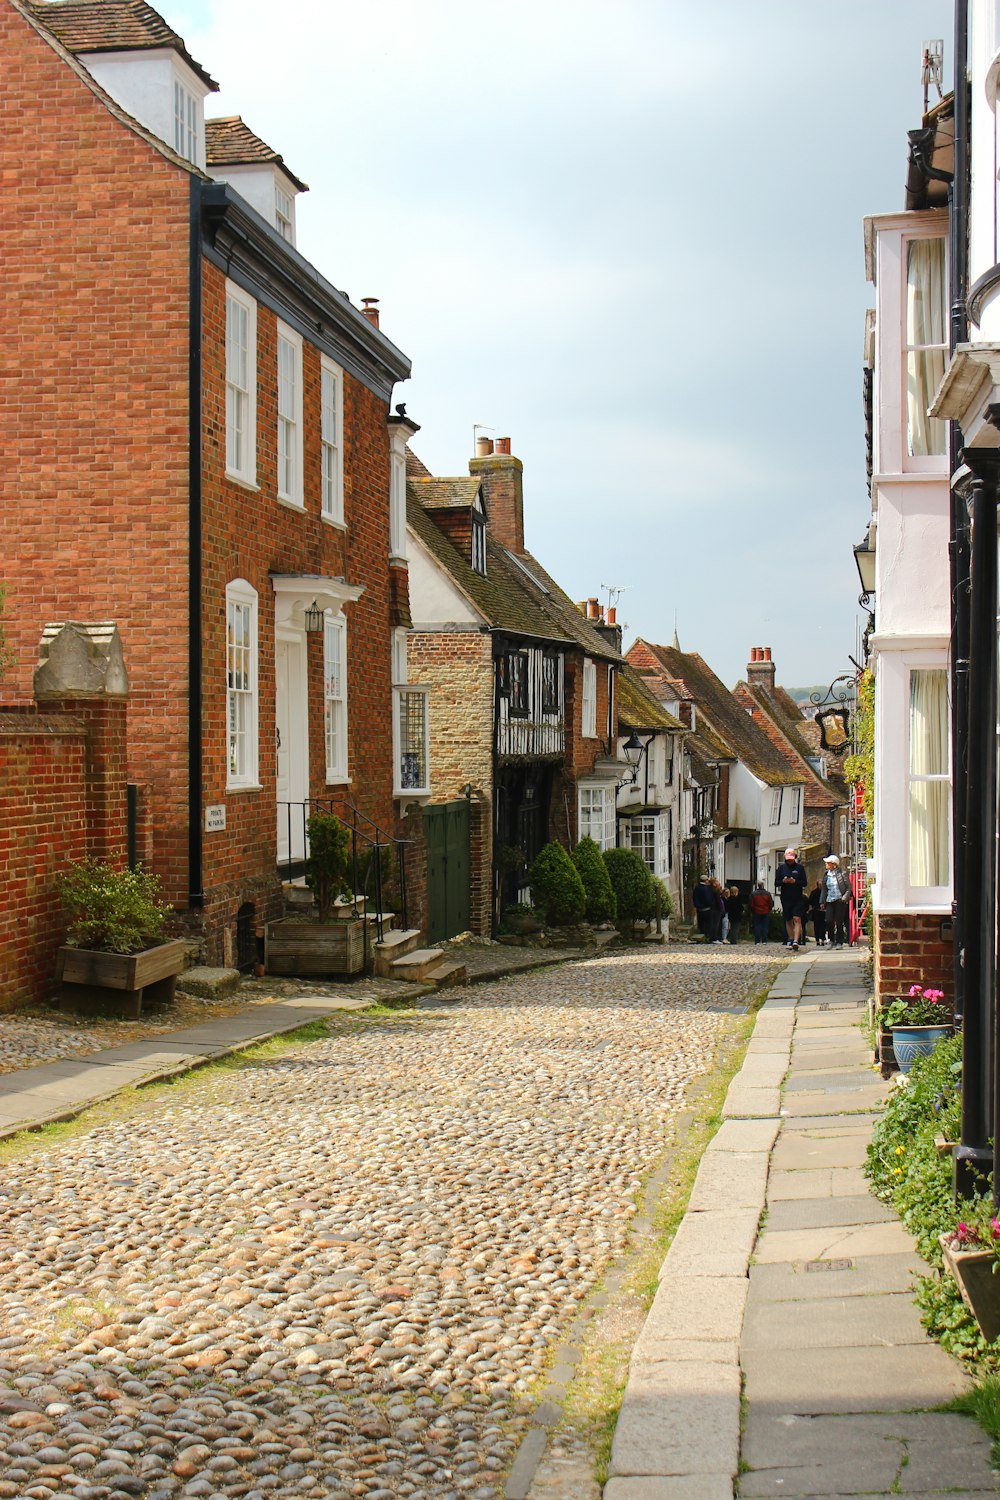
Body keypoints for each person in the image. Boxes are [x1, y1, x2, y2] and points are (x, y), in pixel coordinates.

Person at [774, 846, 807, 951]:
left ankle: (796, 941)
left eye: (791, 858)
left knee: (797, 918)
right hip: (785, 897)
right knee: (788, 919)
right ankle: (791, 939)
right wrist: (783, 881)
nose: (789, 861)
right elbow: (776, 883)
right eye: (788, 859)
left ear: (795, 857)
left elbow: (804, 883)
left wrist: (795, 882)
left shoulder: (800, 868)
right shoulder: (781, 868)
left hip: (797, 897)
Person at [820, 853, 852, 948]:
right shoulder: (826, 875)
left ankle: (839, 942)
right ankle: (831, 940)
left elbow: (848, 888)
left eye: (828, 863)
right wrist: (822, 901)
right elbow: (824, 889)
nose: (826, 864)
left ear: (834, 864)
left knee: (839, 921)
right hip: (830, 900)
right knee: (829, 920)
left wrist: (844, 898)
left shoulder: (842, 873)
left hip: (839, 901)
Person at [692, 874, 715, 943]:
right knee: (708, 924)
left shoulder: (697, 888)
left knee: (701, 924)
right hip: (707, 909)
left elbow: (694, 898)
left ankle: (700, 937)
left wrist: (697, 905)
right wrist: (712, 904)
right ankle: (707, 938)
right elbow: (708, 899)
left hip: (699, 909)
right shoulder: (706, 889)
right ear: (705, 880)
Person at [807, 879, 827, 947]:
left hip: (817, 911)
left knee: (817, 927)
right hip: (822, 911)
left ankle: (818, 940)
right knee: (822, 926)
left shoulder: (814, 892)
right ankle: (821, 940)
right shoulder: (825, 892)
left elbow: (810, 901)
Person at [713, 879, 729, 943]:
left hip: (723, 912)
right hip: (722, 912)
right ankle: (722, 938)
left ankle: (722, 937)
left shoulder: (724, 898)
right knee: (723, 926)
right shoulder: (721, 898)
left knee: (724, 926)